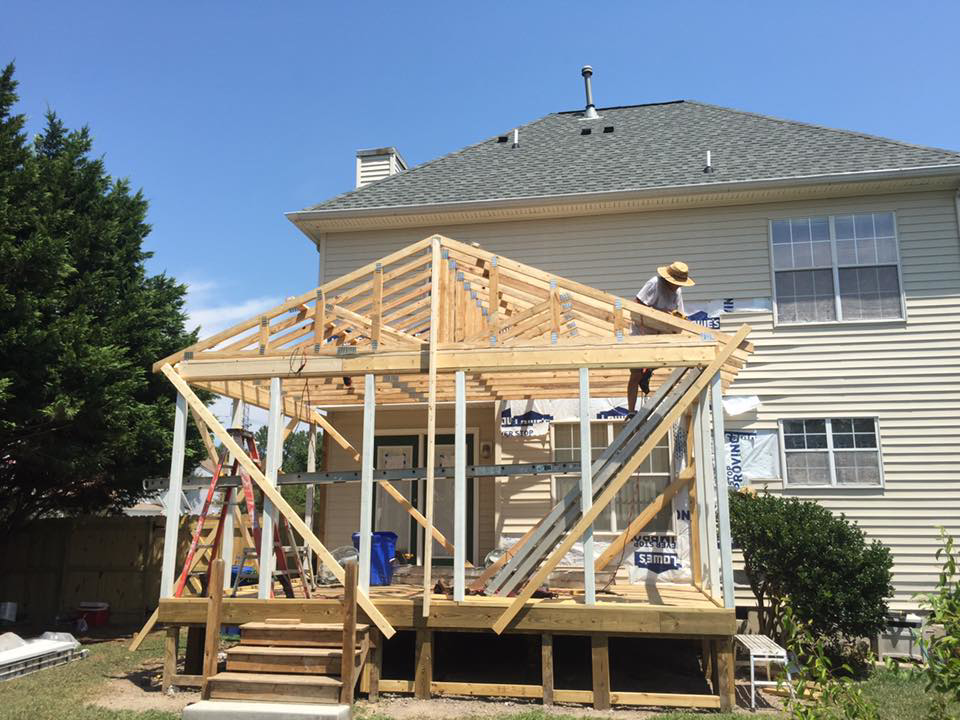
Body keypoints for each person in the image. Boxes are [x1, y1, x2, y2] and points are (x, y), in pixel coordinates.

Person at [627, 261, 695, 414]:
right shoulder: (654, 284)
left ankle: (648, 371)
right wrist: (658, 313)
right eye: (676, 283)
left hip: (660, 333)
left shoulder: (677, 292)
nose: (678, 286)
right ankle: (631, 411)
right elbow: (636, 305)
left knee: (664, 358)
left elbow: (679, 314)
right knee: (635, 373)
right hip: (642, 332)